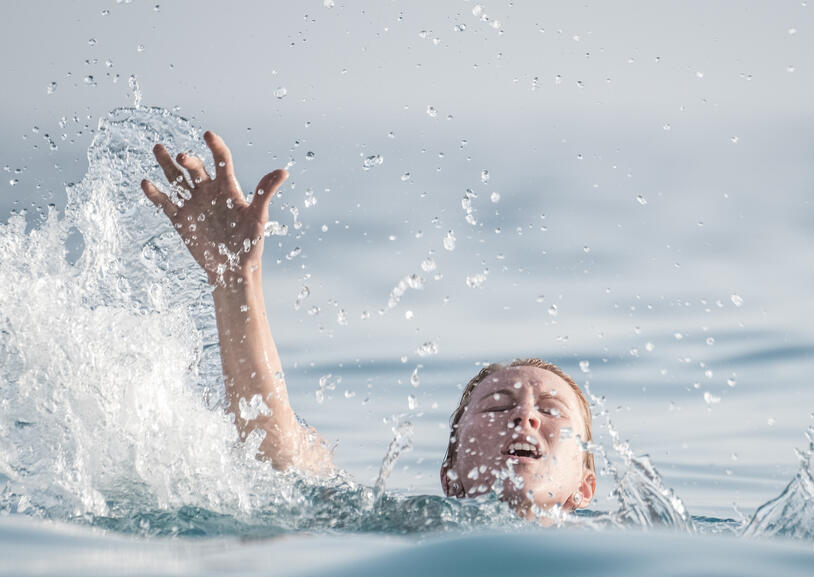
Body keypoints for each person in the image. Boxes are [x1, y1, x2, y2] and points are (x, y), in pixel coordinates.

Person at [140, 131, 596, 520]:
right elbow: (280, 461)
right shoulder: (411, 527)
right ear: (451, 476)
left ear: (585, 487)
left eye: (552, 411)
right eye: (497, 407)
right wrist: (235, 280)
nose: (525, 415)